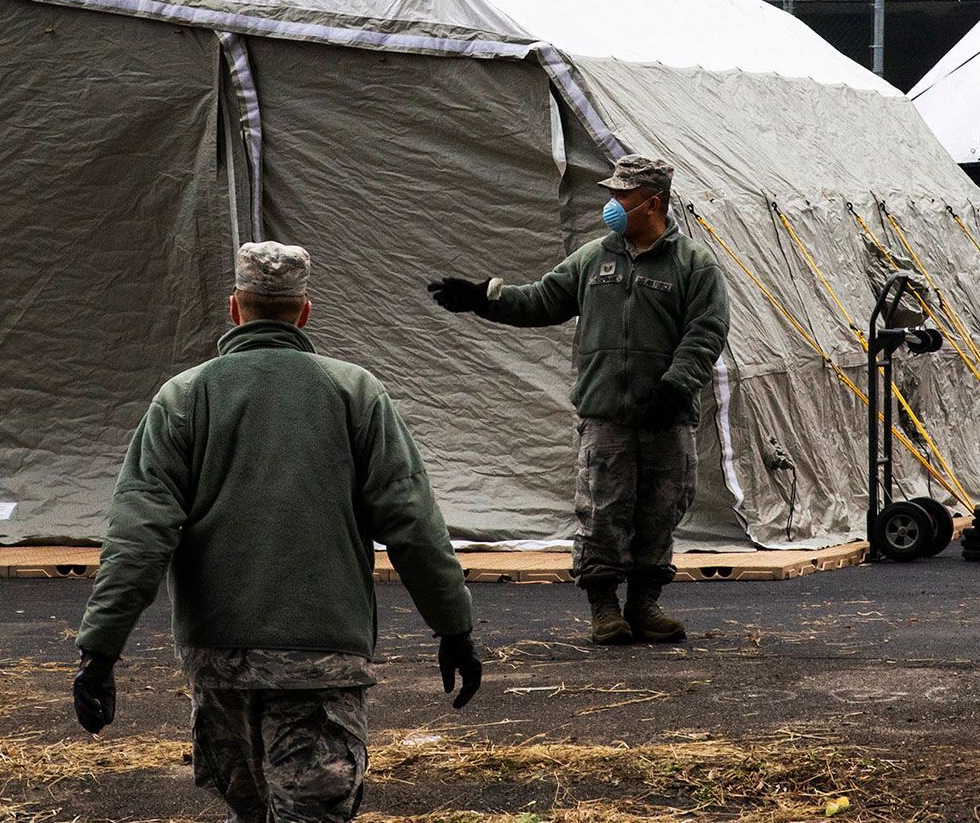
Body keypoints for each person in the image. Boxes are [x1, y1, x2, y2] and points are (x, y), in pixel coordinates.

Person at [73, 241, 482, 823]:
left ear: (234, 308)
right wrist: (454, 626)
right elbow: (413, 522)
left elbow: (139, 536)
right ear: (305, 311)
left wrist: (100, 649)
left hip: (220, 658)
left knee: (248, 811)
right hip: (322, 653)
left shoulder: (183, 398)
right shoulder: (356, 393)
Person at [425, 154, 730, 647]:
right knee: (603, 511)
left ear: (652, 203)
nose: (612, 204)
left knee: (661, 509)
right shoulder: (593, 259)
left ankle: (645, 605)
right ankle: (604, 608)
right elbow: (542, 299)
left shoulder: (694, 265)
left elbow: (707, 330)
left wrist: (676, 386)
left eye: (622, 197)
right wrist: (484, 297)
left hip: (666, 416)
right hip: (605, 413)